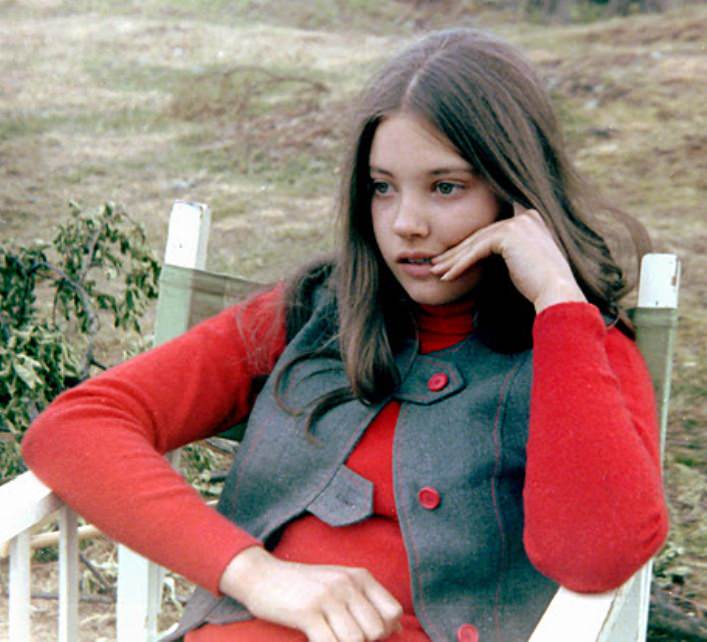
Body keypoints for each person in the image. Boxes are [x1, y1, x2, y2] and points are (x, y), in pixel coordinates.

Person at [22, 28, 669, 642]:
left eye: (445, 187)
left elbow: (597, 557)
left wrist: (556, 299)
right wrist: (255, 574)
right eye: (381, 189)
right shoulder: (312, 312)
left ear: (515, 193)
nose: (405, 223)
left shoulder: (580, 348)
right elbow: (77, 427)